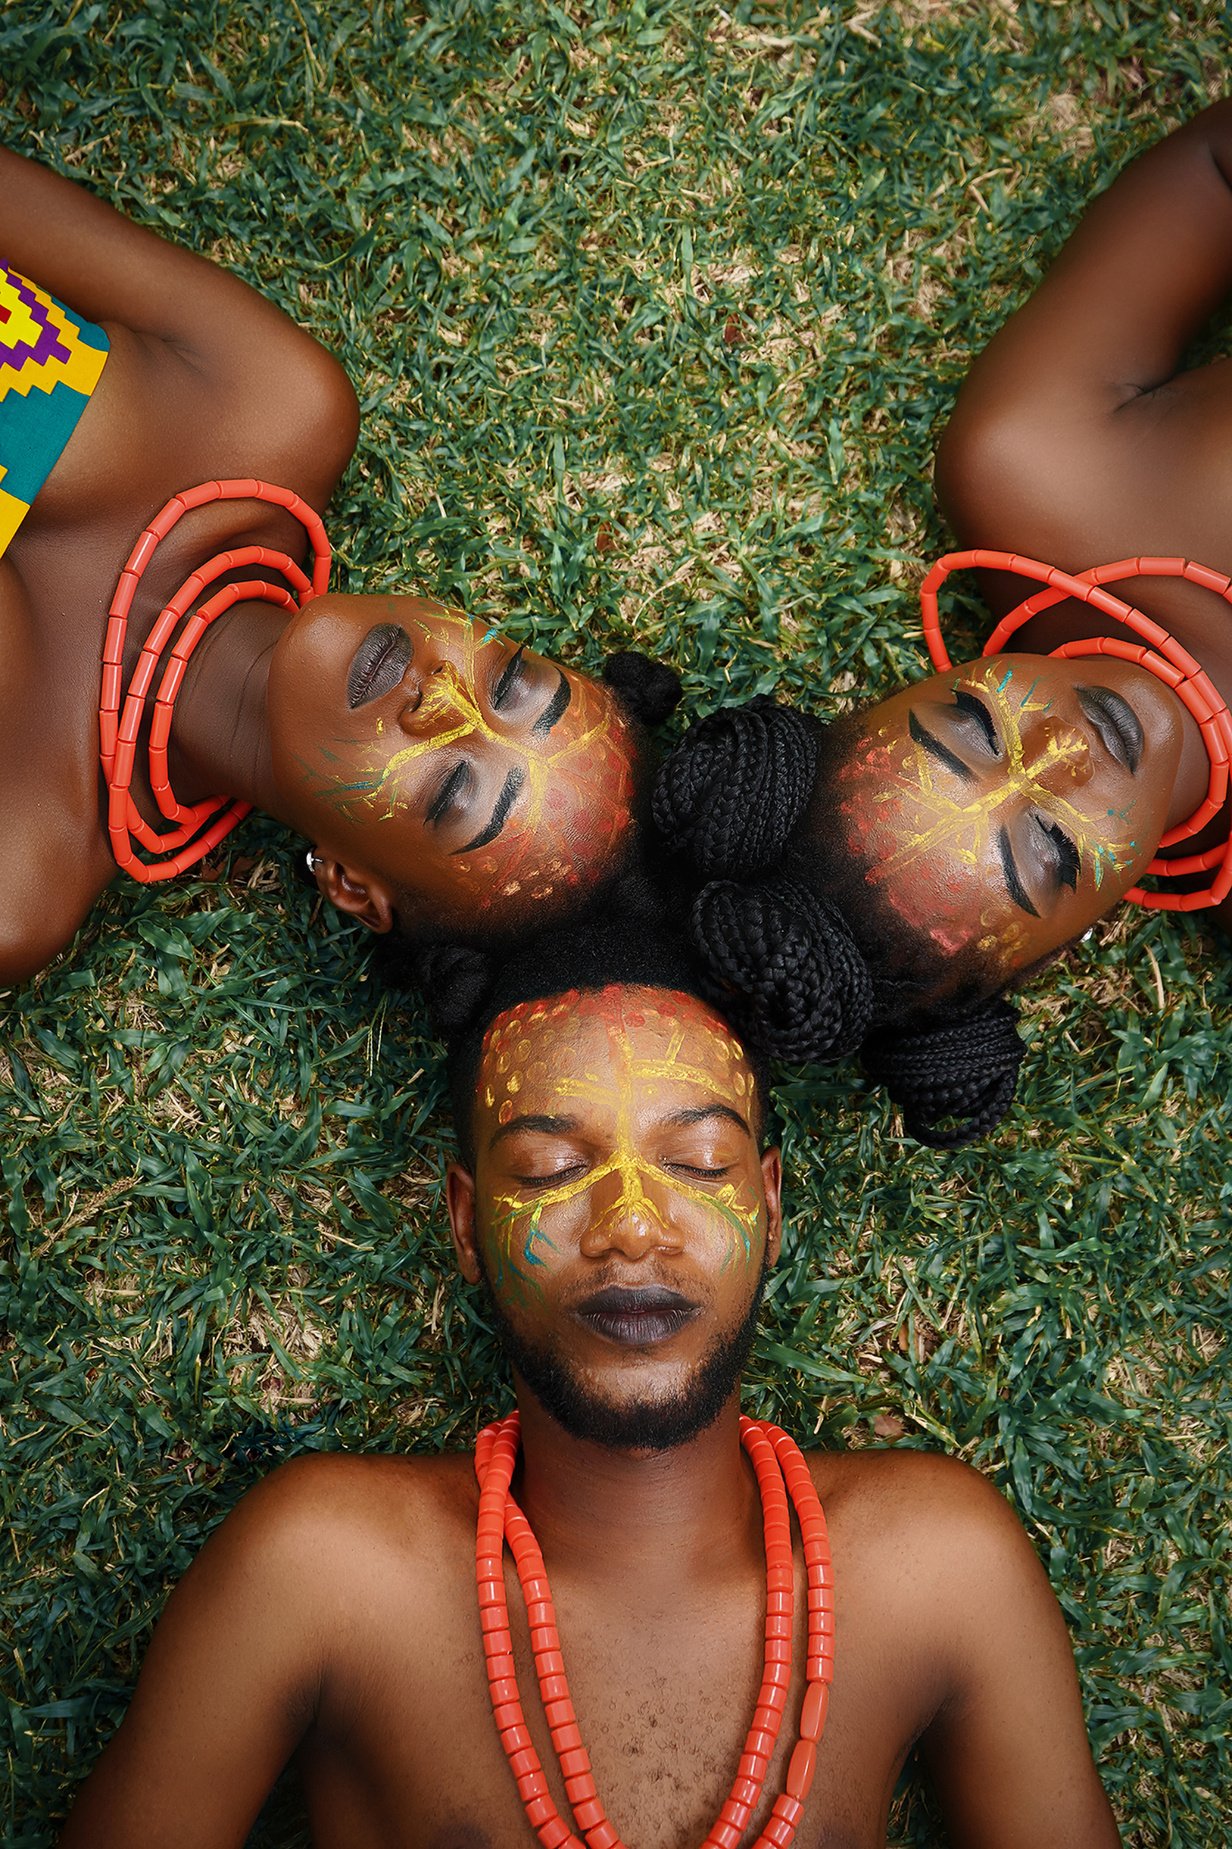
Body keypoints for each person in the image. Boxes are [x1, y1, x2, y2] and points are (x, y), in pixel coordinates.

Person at [59, 917, 1120, 1847]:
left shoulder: (934, 1568)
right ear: (467, 1224)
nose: (630, 1226)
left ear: (771, 1202)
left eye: (699, 1162)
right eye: (549, 1170)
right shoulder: (327, 1572)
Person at [650, 99, 1232, 1146]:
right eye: (1049, 850)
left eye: (973, 731)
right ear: (1073, 941)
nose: (1061, 752)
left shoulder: (1038, 462)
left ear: (908, 689)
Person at [0, 148, 678, 989]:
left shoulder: (17, 867)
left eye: (452, 792)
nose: (444, 699)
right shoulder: (274, 408)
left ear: (352, 887)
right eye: (508, 684)